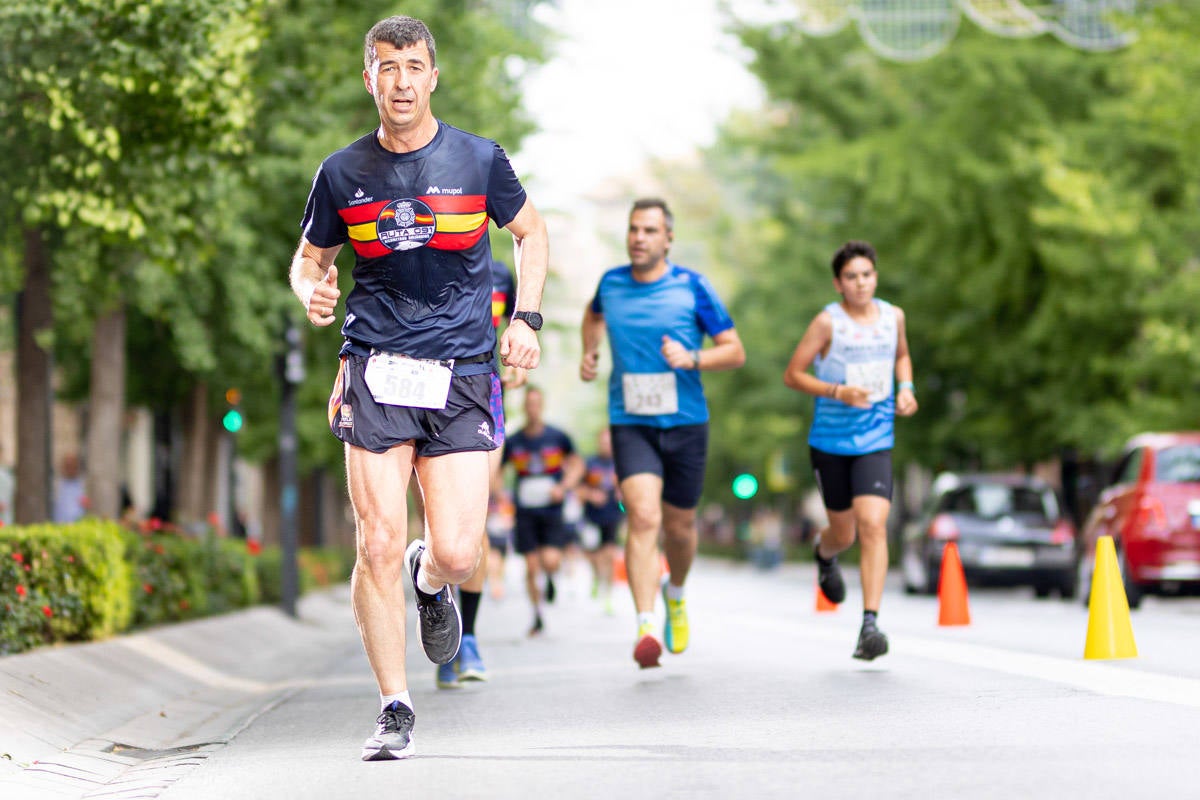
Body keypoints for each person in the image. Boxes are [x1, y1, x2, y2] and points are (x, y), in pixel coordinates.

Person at [289, 15, 548, 761]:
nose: (401, 81)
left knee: (461, 551)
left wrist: (526, 318)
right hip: (375, 367)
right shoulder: (342, 173)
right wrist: (309, 289)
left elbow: (534, 232)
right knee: (375, 538)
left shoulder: (478, 160)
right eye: (386, 67)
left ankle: (430, 581)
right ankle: (394, 706)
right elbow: (309, 259)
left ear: (433, 76)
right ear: (369, 78)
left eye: (413, 66)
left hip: (463, 372)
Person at [580, 197, 745, 669]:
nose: (639, 237)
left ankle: (675, 593)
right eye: (634, 229)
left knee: (680, 527)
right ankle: (646, 625)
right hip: (631, 420)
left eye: (650, 230)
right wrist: (589, 353)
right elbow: (593, 317)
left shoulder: (692, 287)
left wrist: (694, 358)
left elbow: (734, 350)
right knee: (645, 517)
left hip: (687, 422)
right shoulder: (611, 283)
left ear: (668, 238)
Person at [782, 240, 918, 661]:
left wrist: (907, 388)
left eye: (867, 275)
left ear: (875, 276)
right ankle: (825, 555)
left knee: (873, 524)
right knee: (844, 533)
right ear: (838, 283)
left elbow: (903, 356)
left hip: (876, 438)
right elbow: (793, 374)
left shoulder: (892, 316)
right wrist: (837, 390)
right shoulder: (828, 323)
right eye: (851, 277)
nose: (861, 283)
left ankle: (870, 624)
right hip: (831, 441)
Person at [436, 257, 526, 690]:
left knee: (475, 515)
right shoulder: (426, 248)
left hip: (483, 390)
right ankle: (439, 615)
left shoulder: (503, 273)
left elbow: (512, 325)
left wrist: (516, 356)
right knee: (437, 526)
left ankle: (467, 637)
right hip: (426, 391)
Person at [501, 385, 584, 636]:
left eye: (537, 403)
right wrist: (497, 495)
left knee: (550, 560)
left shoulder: (558, 437)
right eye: (529, 403)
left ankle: (551, 579)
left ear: (542, 405)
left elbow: (577, 464)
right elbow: (498, 471)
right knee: (531, 565)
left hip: (551, 509)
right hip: (525, 510)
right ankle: (537, 614)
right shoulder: (514, 441)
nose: (533, 408)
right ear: (524, 407)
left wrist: (564, 486)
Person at [579, 428, 624, 614]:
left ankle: (608, 595)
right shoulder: (589, 463)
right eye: (603, 441)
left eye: (609, 441)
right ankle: (597, 576)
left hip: (612, 515)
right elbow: (577, 489)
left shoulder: (621, 464)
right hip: (591, 516)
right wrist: (590, 495)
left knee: (609, 555)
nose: (606, 445)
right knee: (593, 555)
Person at [53, 453, 87, 524]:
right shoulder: (56, 485)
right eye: (68, 466)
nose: (71, 469)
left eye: (73, 466)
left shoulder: (84, 485)